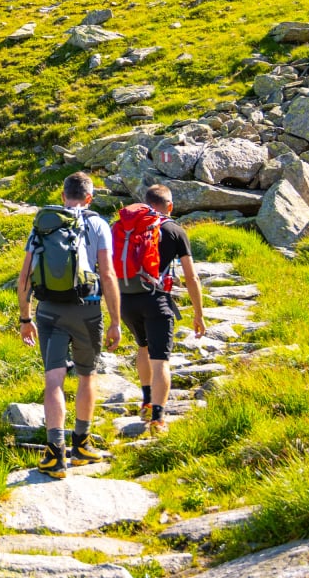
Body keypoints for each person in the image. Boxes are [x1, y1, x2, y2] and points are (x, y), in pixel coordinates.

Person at [16, 171, 120, 479]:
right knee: (87, 376)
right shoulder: (99, 224)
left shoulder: (43, 225)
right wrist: (115, 320)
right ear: (89, 198)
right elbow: (109, 274)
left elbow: (24, 277)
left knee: (54, 380)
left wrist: (25, 318)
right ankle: (83, 445)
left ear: (63, 196)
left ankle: (55, 454)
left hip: (49, 311)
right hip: (88, 310)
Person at [119, 183, 205, 437]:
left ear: (146, 203)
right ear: (170, 206)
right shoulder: (174, 230)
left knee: (142, 347)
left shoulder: (126, 227)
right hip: (157, 301)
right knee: (160, 360)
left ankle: (146, 401)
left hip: (126, 299)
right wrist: (198, 313)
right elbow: (191, 277)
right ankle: (158, 417)